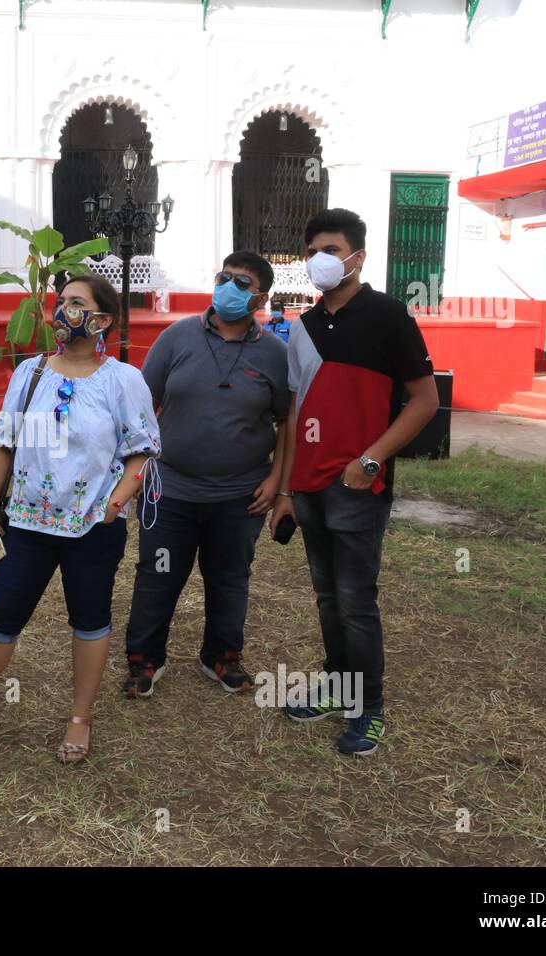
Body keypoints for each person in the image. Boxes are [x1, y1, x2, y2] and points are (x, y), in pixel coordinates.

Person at [0, 272, 159, 766]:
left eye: (77, 303)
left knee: (90, 620)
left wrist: (113, 505)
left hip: (93, 531)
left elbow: (143, 450)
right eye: (61, 301)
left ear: (103, 320)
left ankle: (79, 719)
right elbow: (5, 445)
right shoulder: (31, 373)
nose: (63, 311)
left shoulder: (123, 380)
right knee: (0, 620)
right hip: (25, 525)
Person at [270, 208, 438, 756]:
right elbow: (295, 413)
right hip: (311, 487)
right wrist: (287, 491)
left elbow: (425, 400)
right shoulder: (305, 326)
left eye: (332, 248)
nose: (321, 258)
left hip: (359, 486)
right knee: (326, 596)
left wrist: (370, 461)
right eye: (313, 249)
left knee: (355, 599)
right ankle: (337, 686)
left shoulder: (389, 316)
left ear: (358, 257)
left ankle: (369, 709)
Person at [122, 252, 289, 698]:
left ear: (259, 298)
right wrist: (135, 472)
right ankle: (144, 659)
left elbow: (287, 421)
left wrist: (278, 481)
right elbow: (140, 406)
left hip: (240, 495)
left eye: (242, 282)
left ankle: (221, 656)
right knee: (157, 574)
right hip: (169, 489)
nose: (229, 286)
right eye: (224, 276)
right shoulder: (176, 338)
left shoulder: (275, 353)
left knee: (230, 575)